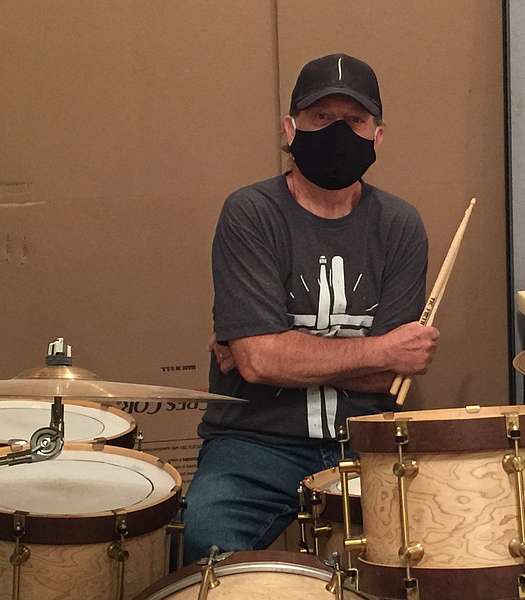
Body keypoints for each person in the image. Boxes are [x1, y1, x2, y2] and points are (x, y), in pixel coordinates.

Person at [183, 53, 439, 563]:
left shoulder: (401, 225)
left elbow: (392, 378)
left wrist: (276, 353)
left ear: (377, 136)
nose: (338, 132)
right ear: (290, 127)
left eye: (355, 121)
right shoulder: (250, 213)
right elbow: (260, 362)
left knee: (433, 550)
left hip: (368, 440)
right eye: (322, 118)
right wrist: (380, 349)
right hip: (255, 444)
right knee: (206, 533)